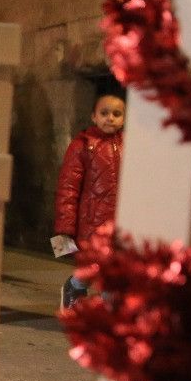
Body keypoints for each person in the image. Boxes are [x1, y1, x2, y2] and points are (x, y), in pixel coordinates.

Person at [53, 82, 127, 308]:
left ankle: (109, 309)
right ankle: (75, 285)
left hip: (119, 223)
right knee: (93, 267)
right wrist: (65, 227)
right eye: (104, 113)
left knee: (112, 271)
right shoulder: (83, 145)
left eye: (117, 114)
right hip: (90, 223)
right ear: (93, 116)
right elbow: (68, 187)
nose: (110, 118)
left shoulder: (128, 145)